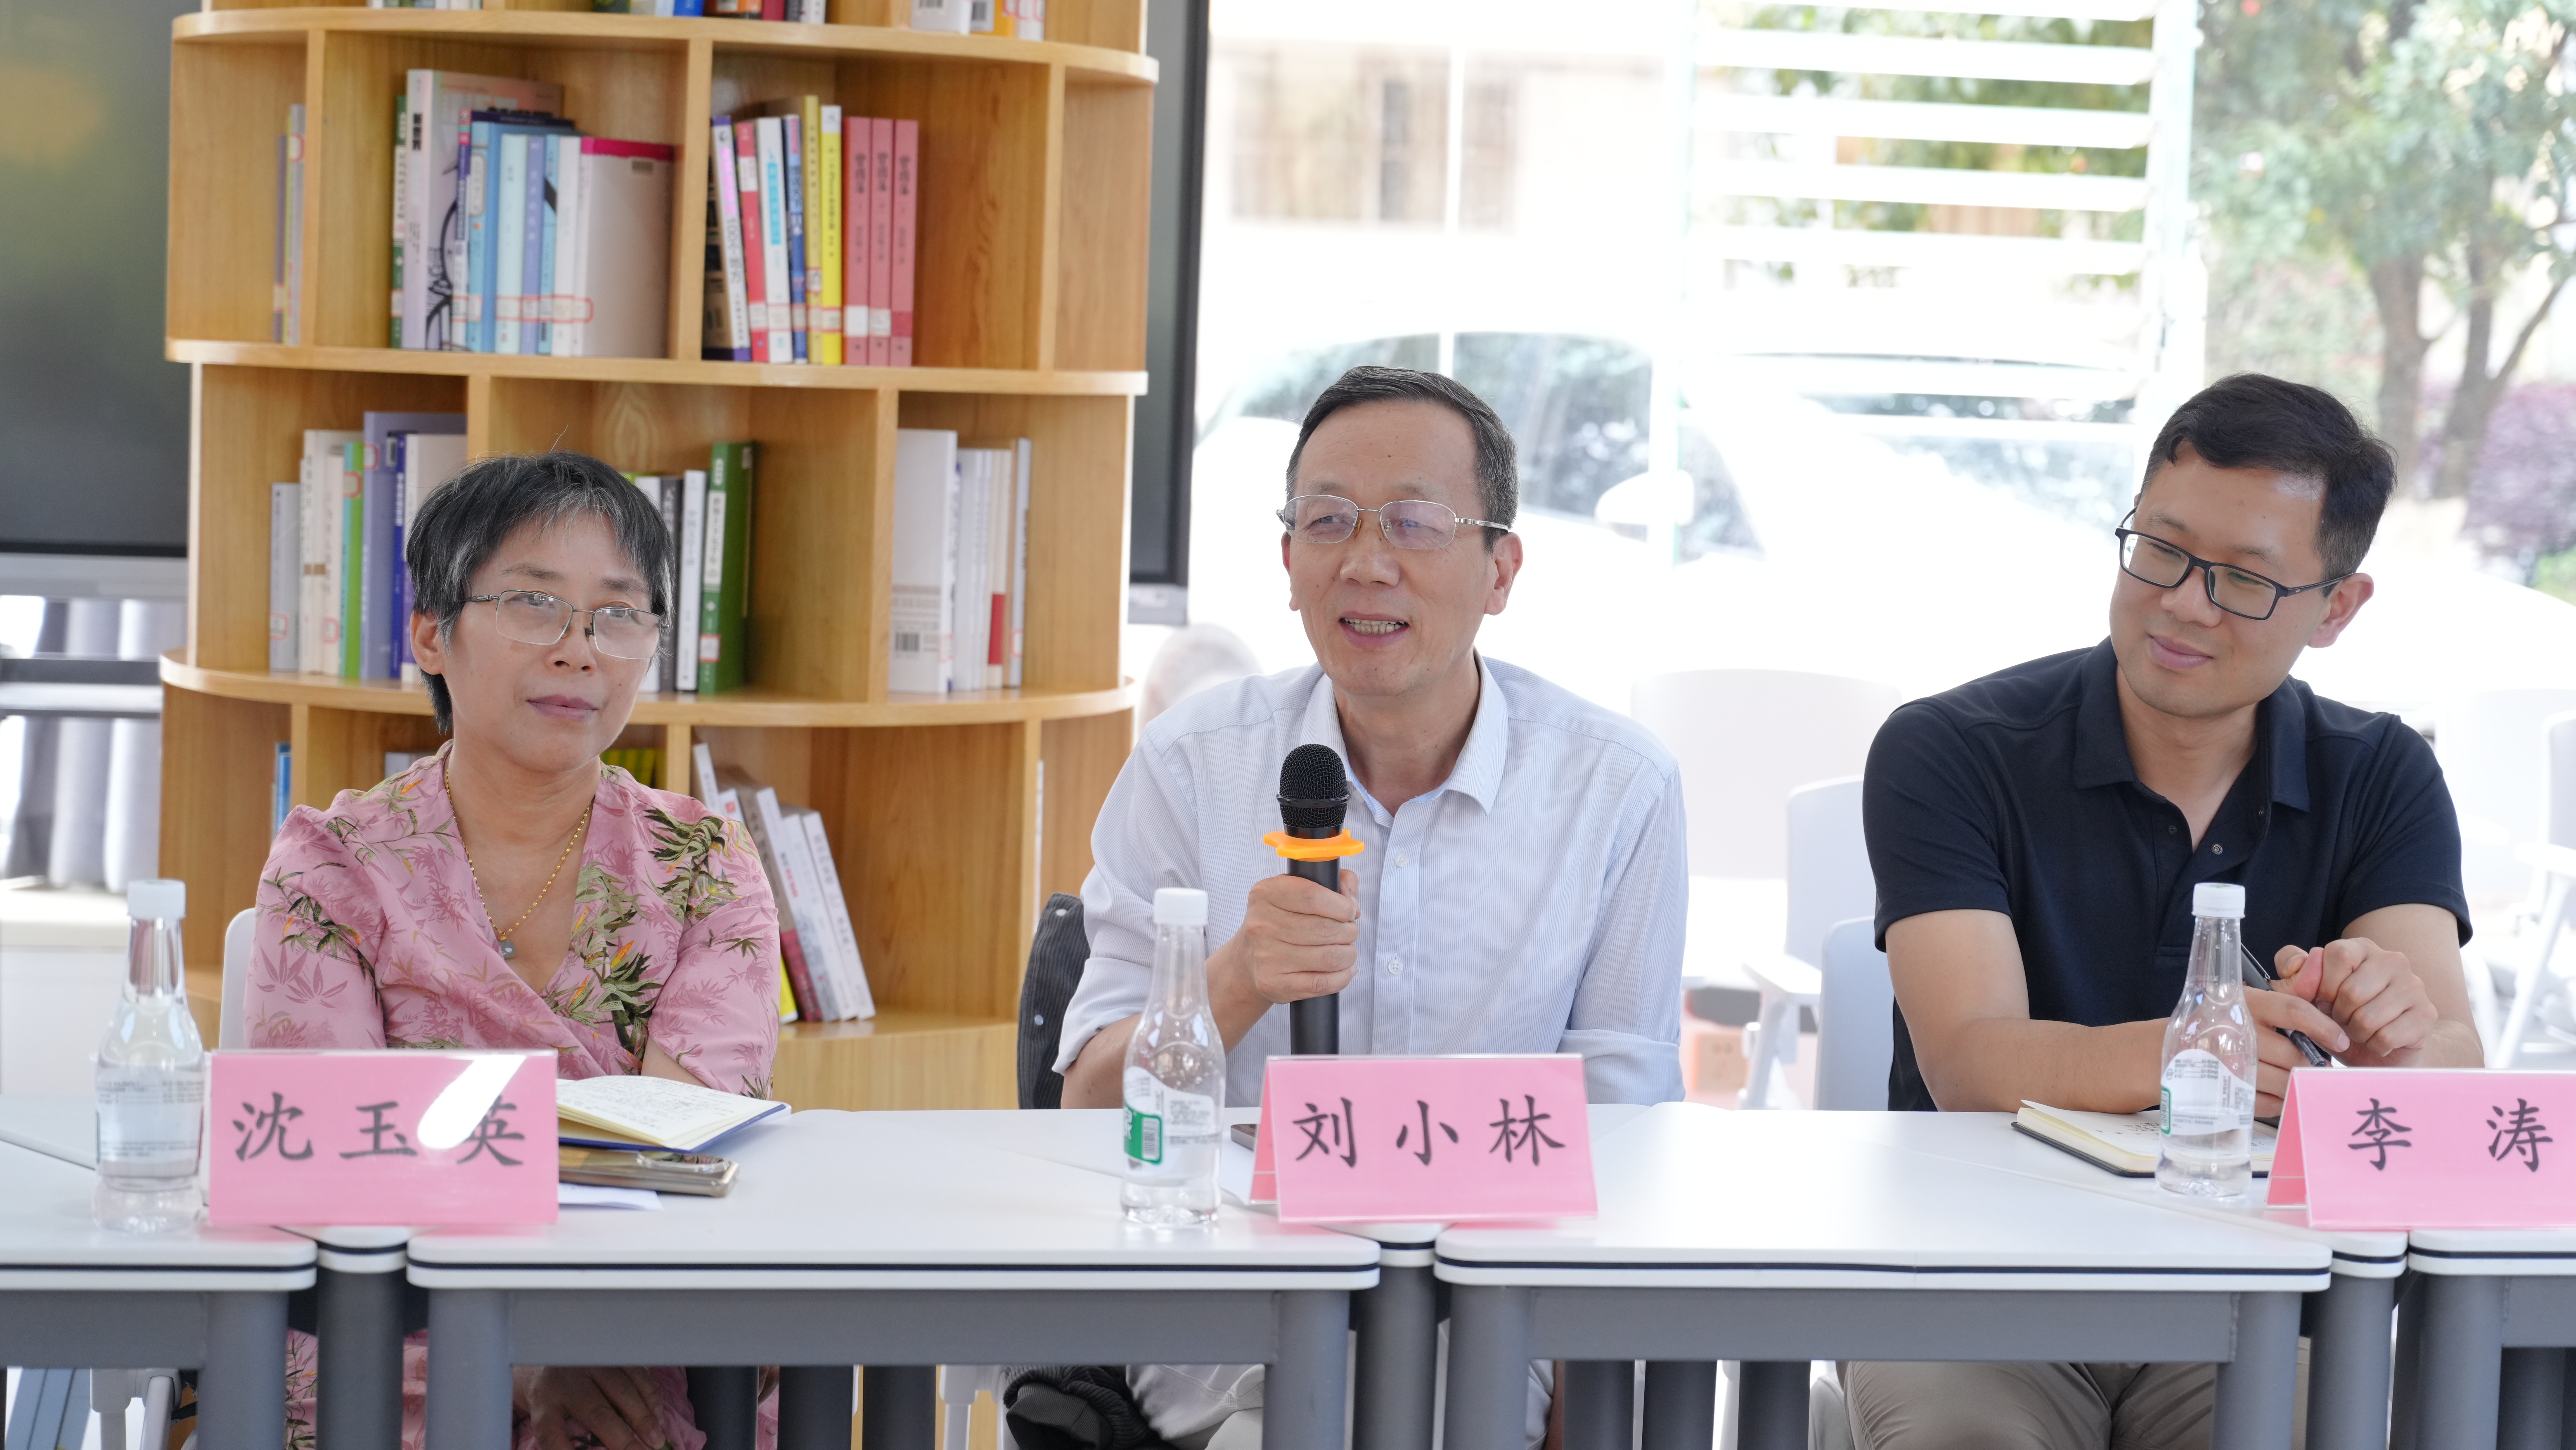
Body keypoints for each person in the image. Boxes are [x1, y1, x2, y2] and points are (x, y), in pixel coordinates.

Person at [1057, 365, 1689, 1450]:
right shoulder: (1189, 765)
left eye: (1413, 522)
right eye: (1328, 520)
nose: (1365, 560)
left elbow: (1626, 1142)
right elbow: (1088, 1104)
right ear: (1287, 562)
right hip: (1231, 1325)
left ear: (1501, 570)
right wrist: (1234, 979)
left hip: (1491, 1328)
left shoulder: (1618, 790)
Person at [1845, 374, 2481, 1449]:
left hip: (2264, 1292)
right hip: (1981, 1278)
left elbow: (2452, 1063)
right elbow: (1969, 1062)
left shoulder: (2380, 773)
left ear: (2337, 607)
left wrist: (2392, 1042)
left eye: (2244, 580)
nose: (2185, 602)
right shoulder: (1952, 749)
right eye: (2161, 550)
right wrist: (2211, 1049)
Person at [248, 451, 781, 1450]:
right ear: (431, 633)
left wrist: (578, 1347)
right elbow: (326, 1177)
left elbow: (679, 1163)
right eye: (536, 604)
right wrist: (513, 1357)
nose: (580, 651)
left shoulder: (706, 864)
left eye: (618, 615)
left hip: (641, 1345)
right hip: (389, 1342)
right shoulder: (332, 865)